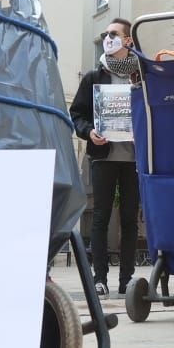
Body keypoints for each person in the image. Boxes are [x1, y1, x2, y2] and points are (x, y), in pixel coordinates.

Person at [69, 18, 140, 297]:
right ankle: (100, 278)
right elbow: (77, 115)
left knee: (130, 220)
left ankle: (127, 280)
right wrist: (90, 132)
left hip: (135, 159)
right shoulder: (93, 76)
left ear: (129, 41)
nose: (108, 37)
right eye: (105, 33)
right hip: (103, 156)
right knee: (100, 218)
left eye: (114, 33)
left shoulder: (143, 74)